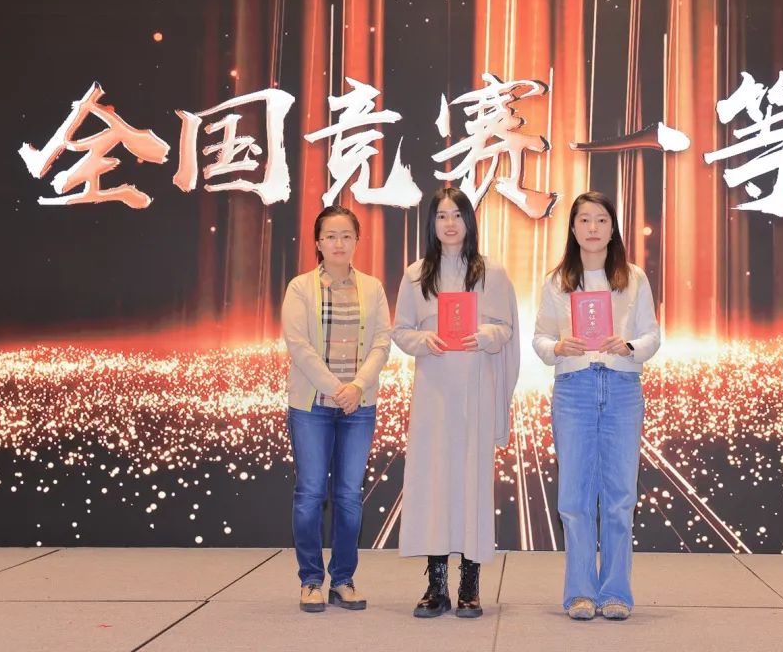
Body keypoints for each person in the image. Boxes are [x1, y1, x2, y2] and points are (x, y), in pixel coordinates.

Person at [532, 190, 660, 621]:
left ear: (612, 228)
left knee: (621, 497)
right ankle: (580, 593)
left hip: (622, 387)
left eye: (601, 220)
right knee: (575, 498)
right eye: (584, 220)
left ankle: (617, 592)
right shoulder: (557, 281)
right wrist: (557, 347)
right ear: (572, 228)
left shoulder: (633, 278)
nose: (592, 228)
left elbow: (652, 336)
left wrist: (628, 346)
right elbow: (540, 338)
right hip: (575, 389)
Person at [392, 187, 519, 619]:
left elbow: (506, 328)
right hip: (434, 391)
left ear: (469, 221)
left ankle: (470, 584)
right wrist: (421, 340)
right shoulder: (415, 274)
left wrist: (485, 335)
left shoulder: (492, 272)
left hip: (474, 389)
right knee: (433, 483)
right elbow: (401, 330)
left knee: (471, 482)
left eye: (457, 215)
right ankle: (436, 586)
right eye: (442, 216)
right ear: (432, 224)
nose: (450, 223)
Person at [281, 205, 392, 613]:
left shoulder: (373, 288)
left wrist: (357, 387)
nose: (339, 243)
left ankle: (343, 579)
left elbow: (382, 342)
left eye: (346, 235)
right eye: (331, 236)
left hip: (358, 406)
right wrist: (335, 388)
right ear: (318, 242)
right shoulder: (300, 288)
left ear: (357, 241)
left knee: (348, 495)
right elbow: (299, 346)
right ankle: (311, 580)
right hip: (311, 405)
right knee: (310, 493)